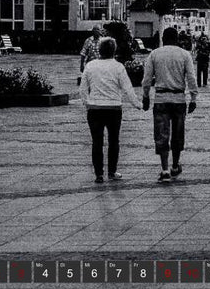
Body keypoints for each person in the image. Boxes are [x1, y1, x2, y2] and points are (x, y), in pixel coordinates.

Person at [142, 27, 199, 183]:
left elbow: (147, 79)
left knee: (161, 135)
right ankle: (175, 165)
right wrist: (193, 97)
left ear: (163, 38)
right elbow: (191, 78)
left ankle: (165, 169)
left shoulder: (154, 54)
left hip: (161, 99)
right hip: (179, 98)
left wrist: (146, 96)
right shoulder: (184, 54)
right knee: (177, 134)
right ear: (177, 39)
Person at [80, 38, 140, 183]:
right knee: (114, 141)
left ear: (99, 50)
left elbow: (83, 89)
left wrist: (87, 103)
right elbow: (127, 89)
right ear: (114, 50)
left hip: (95, 109)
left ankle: (99, 174)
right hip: (113, 108)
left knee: (97, 142)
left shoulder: (90, 66)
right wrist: (137, 104)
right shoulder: (118, 67)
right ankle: (112, 171)